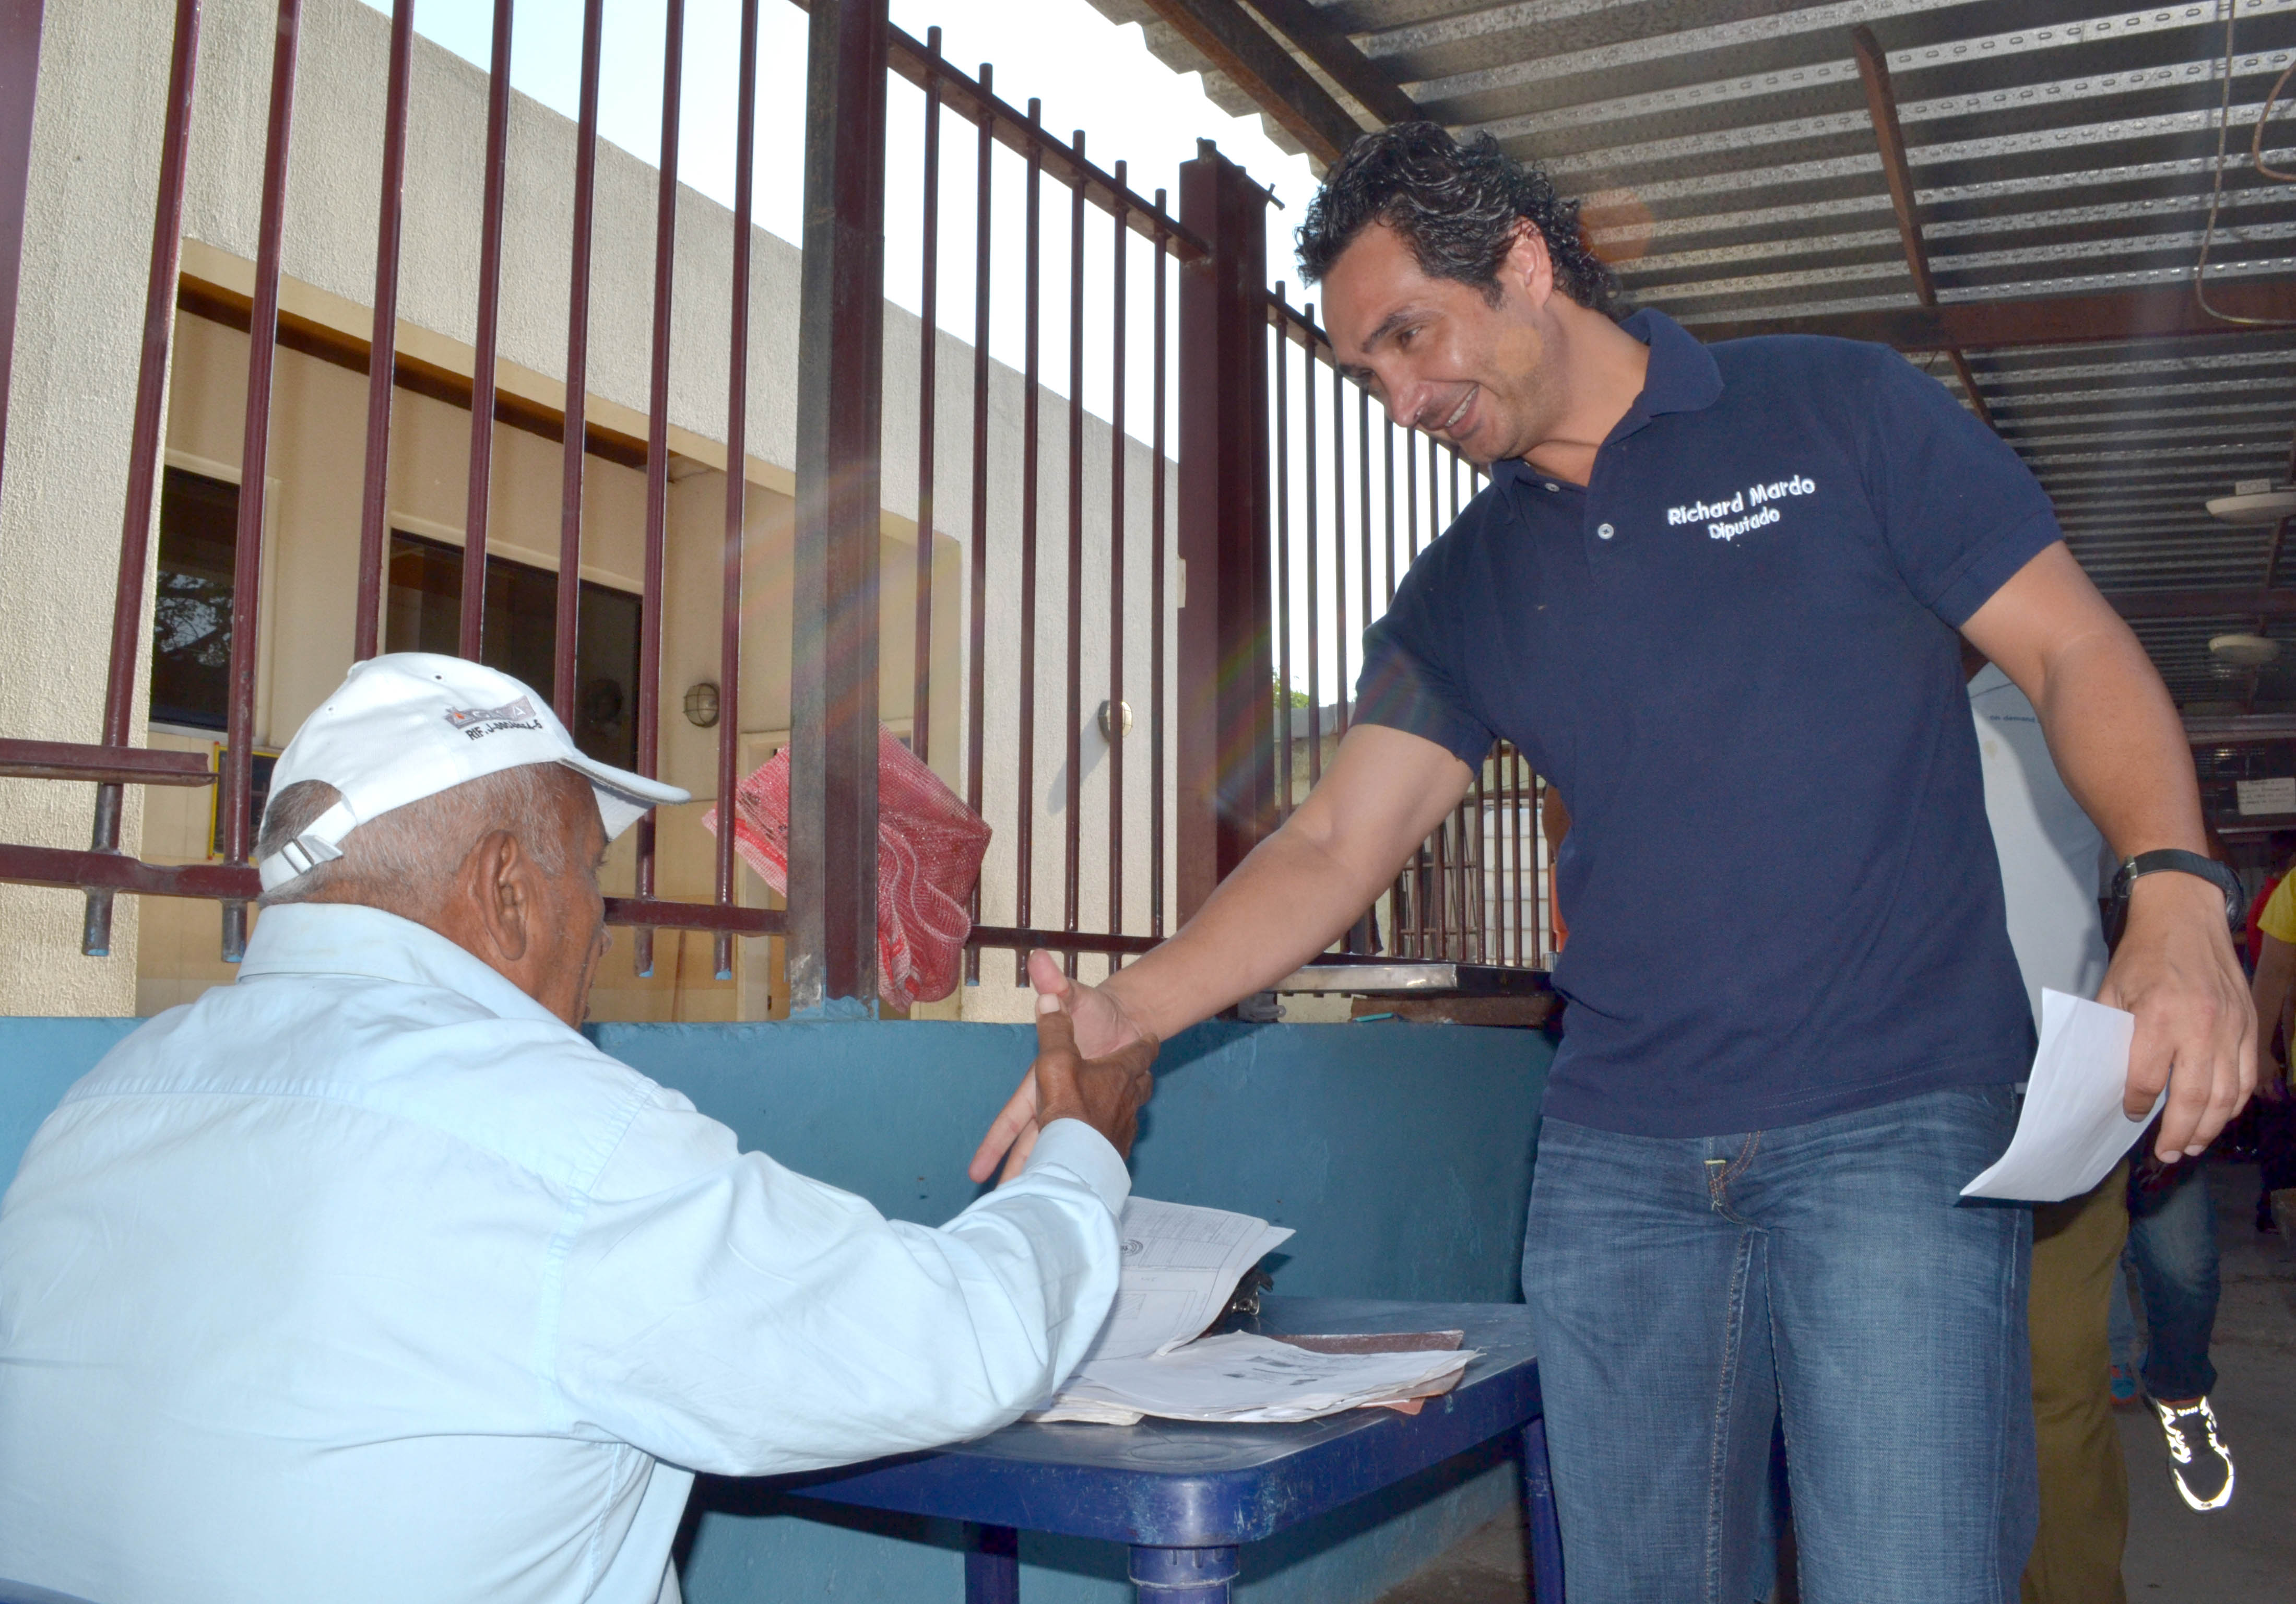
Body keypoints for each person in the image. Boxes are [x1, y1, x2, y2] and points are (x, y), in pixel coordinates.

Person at [970, 125, 2254, 1604]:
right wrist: (1127, 1010)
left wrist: (2171, 888)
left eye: (1408, 335)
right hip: (1616, 1166)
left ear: (1519, 261)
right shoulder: (1464, 584)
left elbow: (2071, 644)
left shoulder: (1837, 409)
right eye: (1361, 371)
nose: (1394, 396)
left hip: (1890, 1126)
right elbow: (1335, 840)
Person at [0, 654, 1155, 1604]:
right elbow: (960, 1344)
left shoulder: (101, 1106)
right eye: (589, 873)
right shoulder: (558, 1144)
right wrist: (1083, 1140)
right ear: (507, 890)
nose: (600, 928)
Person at [1967, 650, 2131, 1602]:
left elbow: (2131, 866)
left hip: (2059, 1083)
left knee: (2057, 1379)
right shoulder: (1838, 680)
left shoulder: (2076, 681)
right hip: (1887, 1092)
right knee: (1899, 1393)